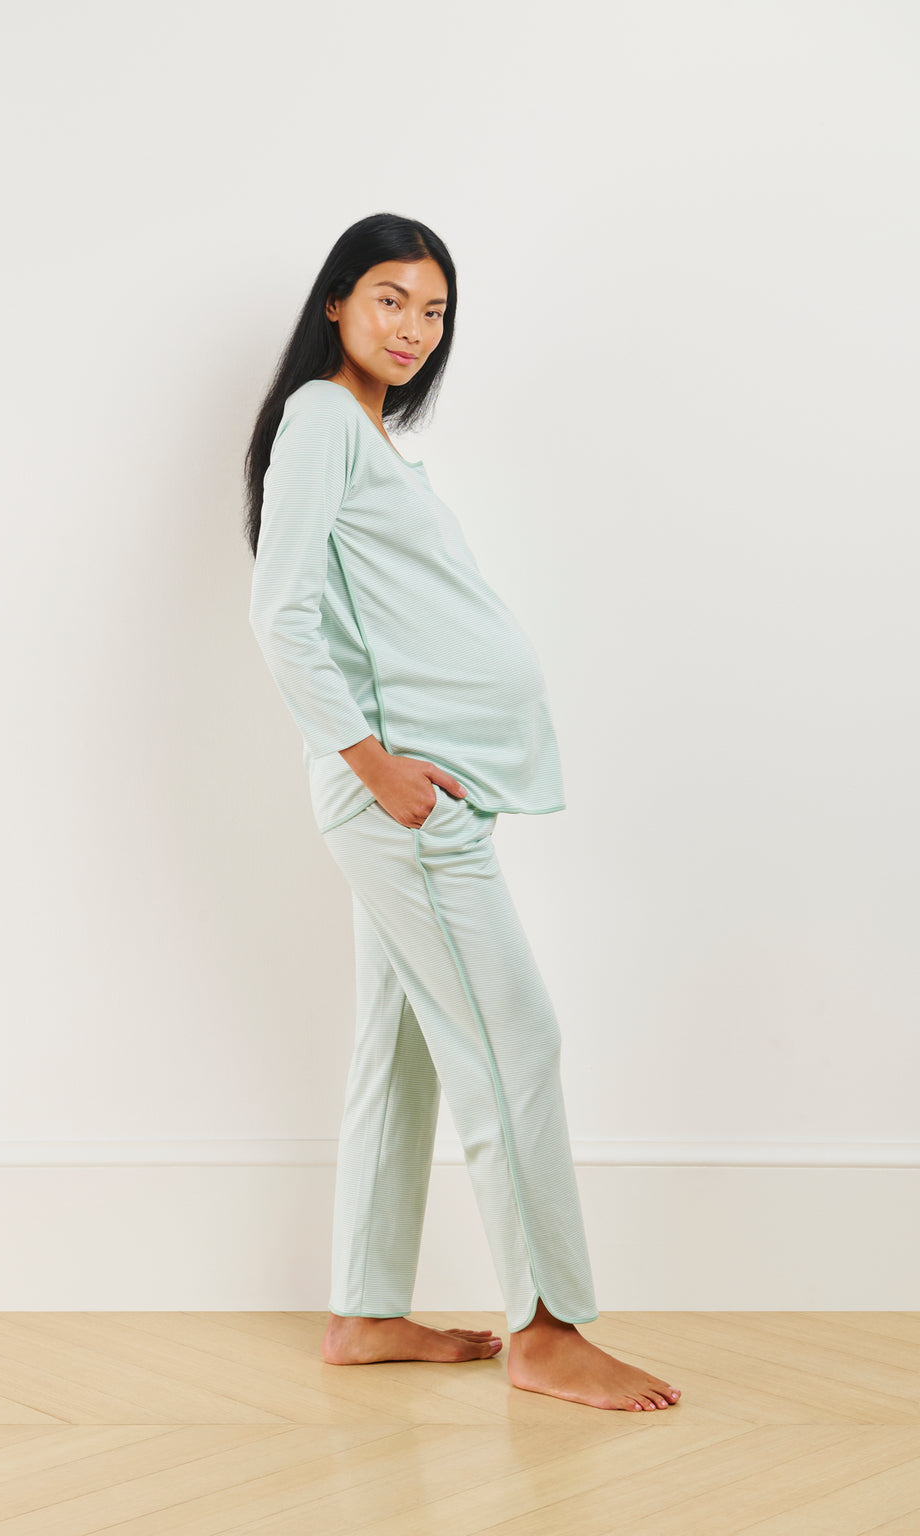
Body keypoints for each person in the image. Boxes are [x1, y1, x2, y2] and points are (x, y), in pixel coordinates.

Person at [244, 212, 681, 1412]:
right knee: (516, 1041)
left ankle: (363, 1310)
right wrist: (376, 765)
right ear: (336, 302)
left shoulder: (369, 442)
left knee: (402, 1057)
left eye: (433, 312)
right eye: (390, 299)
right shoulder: (323, 418)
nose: (412, 329)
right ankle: (546, 1330)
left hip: (414, 796)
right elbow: (277, 612)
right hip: (400, 801)